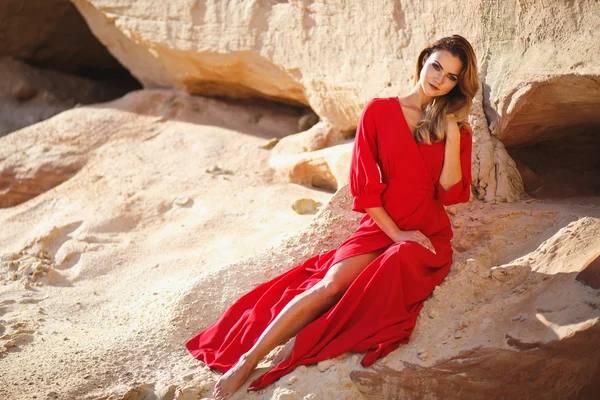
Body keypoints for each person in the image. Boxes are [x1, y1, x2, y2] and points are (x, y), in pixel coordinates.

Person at [186, 34, 479, 399]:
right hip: (383, 226)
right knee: (330, 286)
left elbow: (451, 193)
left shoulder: (453, 128)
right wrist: (395, 232)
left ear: (456, 85)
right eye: (436, 65)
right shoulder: (379, 111)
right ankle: (248, 359)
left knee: (388, 267)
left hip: (426, 236)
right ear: (423, 61)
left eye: (451, 76)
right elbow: (365, 189)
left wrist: (452, 134)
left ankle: (290, 354)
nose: (439, 78)